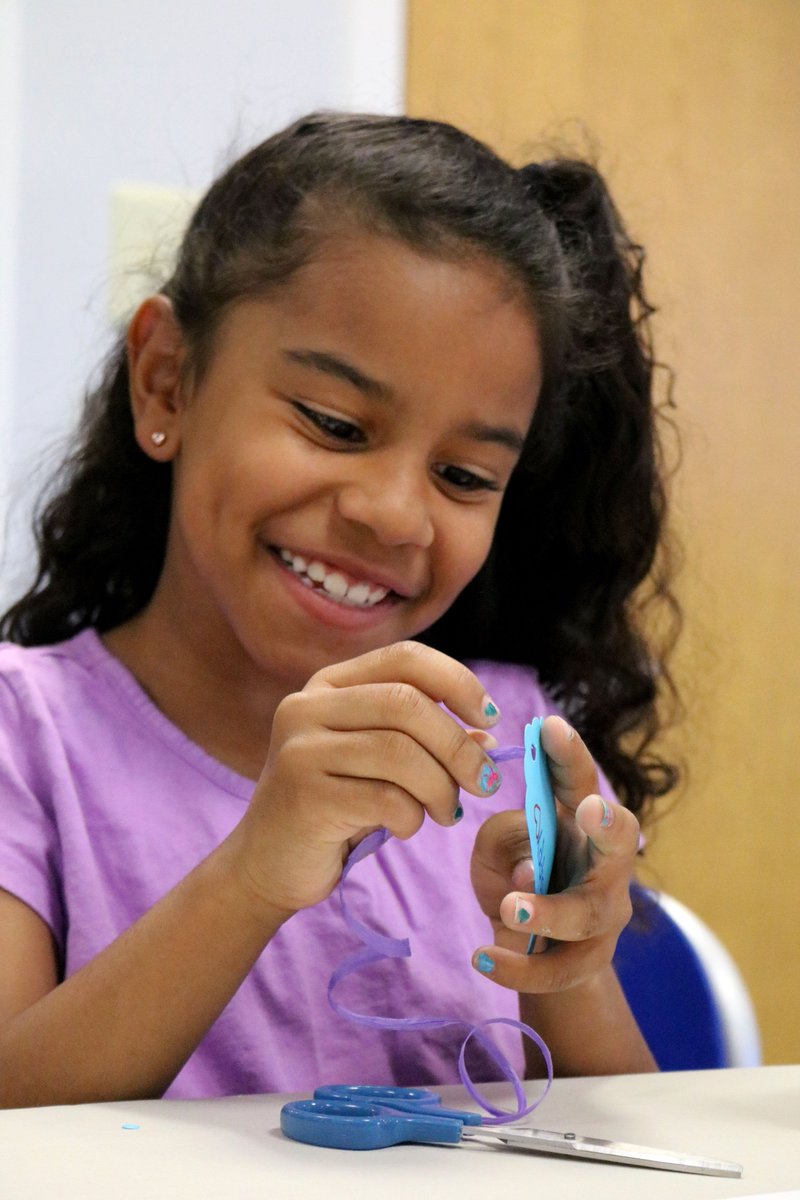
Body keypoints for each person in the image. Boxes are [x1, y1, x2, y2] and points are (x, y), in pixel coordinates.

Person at [0, 112, 679, 1108]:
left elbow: (631, 1147)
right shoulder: (26, 734)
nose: (393, 515)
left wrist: (565, 960)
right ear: (167, 382)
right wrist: (252, 874)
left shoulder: (506, 737)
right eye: (332, 423)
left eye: (461, 473)